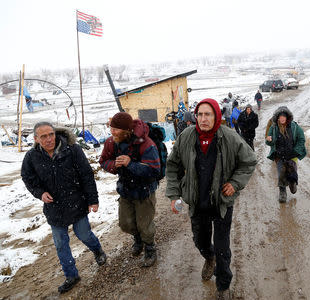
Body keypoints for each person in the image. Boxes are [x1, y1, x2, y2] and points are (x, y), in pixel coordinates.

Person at [166, 98, 257, 300]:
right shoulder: (186, 137)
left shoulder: (229, 137)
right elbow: (172, 166)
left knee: (223, 246)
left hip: (222, 203)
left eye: (208, 114)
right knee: (201, 241)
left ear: (216, 116)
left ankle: (223, 285)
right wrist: (174, 194)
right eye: (199, 114)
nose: (203, 119)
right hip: (198, 202)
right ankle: (209, 257)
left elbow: (249, 161)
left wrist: (234, 183)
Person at [21, 122, 107, 294]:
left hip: (76, 202)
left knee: (84, 234)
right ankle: (71, 275)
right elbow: (28, 177)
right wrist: (40, 193)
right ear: (36, 139)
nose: (48, 139)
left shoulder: (72, 149)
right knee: (61, 244)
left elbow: (86, 175)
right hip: (54, 208)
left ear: (55, 134)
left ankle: (97, 250)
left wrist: (93, 200)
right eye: (43, 136)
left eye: (51, 134)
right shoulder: (32, 157)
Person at [99, 112, 160, 267]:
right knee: (125, 223)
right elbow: (104, 160)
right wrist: (114, 165)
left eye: (116, 129)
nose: (112, 132)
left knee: (144, 225)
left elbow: (154, 171)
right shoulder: (111, 143)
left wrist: (130, 164)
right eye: (111, 128)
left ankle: (150, 248)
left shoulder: (146, 144)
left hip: (144, 191)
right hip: (125, 189)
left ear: (127, 131)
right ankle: (137, 239)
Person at [265, 106, 306, 203]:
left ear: (287, 117)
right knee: (281, 174)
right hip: (279, 156)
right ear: (278, 118)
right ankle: (282, 192)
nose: (282, 118)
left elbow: (301, 139)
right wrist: (269, 140)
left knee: (291, 172)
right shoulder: (274, 127)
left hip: (292, 155)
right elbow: (269, 141)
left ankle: (292, 183)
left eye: (284, 116)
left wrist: (296, 150)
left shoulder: (295, 127)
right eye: (280, 116)